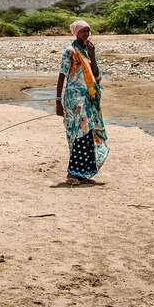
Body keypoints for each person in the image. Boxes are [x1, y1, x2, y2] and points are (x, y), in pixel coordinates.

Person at [55, 20, 109, 184]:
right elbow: (62, 76)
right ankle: (72, 174)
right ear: (76, 32)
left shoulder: (87, 50)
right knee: (79, 132)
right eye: (83, 31)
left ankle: (83, 173)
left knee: (89, 132)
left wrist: (92, 55)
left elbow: (96, 76)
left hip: (88, 97)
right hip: (74, 98)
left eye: (88, 31)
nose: (86, 34)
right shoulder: (69, 51)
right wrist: (58, 101)